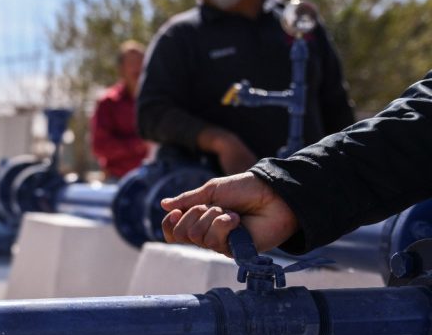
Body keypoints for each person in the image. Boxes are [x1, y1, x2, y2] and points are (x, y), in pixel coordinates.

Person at [136, 0, 355, 175]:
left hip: (311, 189)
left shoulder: (300, 23)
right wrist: (219, 141)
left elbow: (337, 110)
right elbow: (150, 114)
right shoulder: (178, 37)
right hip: (219, 196)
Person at [160, 71, 432, 256]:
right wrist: (287, 192)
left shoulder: (305, 29)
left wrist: (289, 187)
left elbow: (336, 106)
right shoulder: (181, 35)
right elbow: (420, 125)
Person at [91, 40, 154, 180]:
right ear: (121, 69)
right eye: (131, 63)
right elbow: (100, 146)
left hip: (155, 179)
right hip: (118, 180)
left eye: (141, 62)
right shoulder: (108, 102)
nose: (137, 68)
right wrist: (138, 144)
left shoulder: (157, 100)